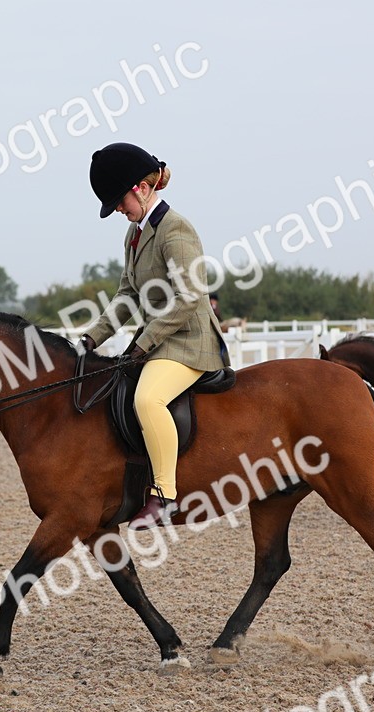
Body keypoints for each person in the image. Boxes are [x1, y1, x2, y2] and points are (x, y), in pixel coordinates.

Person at [80, 143, 228, 530]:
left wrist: (143, 343)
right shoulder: (135, 232)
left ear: (141, 189)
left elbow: (189, 296)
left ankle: (164, 496)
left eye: (119, 200)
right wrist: (89, 340)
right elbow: (127, 295)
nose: (118, 209)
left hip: (189, 340)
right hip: (161, 340)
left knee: (148, 398)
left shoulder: (175, 229)